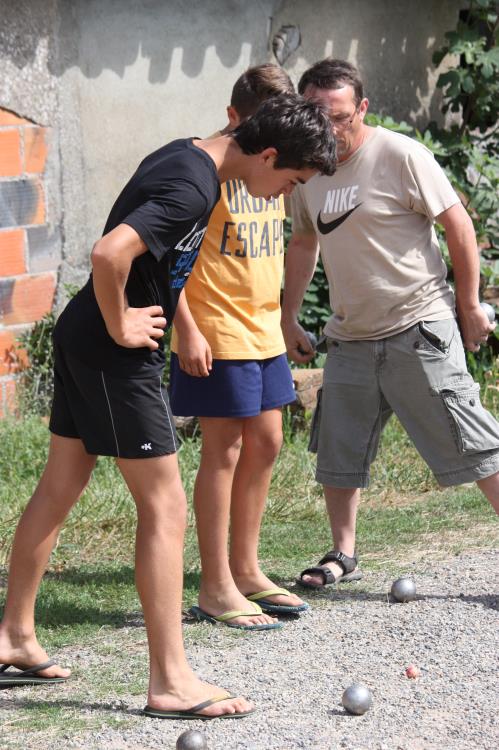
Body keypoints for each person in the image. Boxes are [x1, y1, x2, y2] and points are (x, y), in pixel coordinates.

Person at [0, 94, 336, 718]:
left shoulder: (186, 154)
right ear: (266, 154)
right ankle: (170, 681)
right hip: (110, 348)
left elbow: (135, 255)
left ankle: (14, 636)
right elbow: (110, 254)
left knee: (61, 483)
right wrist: (122, 323)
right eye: (288, 181)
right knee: (166, 503)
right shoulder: (193, 187)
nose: (280, 195)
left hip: (88, 337)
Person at [281, 59, 499, 590]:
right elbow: (305, 241)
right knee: (339, 450)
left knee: (474, 442)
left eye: (337, 117)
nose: (327, 129)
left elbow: (458, 226)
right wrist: (287, 314)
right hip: (351, 335)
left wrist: (468, 305)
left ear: (361, 108)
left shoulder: (400, 154)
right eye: (315, 115)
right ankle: (342, 554)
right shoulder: (308, 172)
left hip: (417, 324)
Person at [169, 64, 310, 631]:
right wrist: (186, 328)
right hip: (215, 330)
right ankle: (214, 585)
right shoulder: (206, 173)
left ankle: (246, 567)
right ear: (234, 118)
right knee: (222, 450)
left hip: (263, 329)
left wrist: (288, 317)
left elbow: (295, 240)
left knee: (269, 440)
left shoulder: (274, 171)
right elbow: (167, 258)